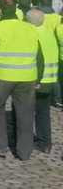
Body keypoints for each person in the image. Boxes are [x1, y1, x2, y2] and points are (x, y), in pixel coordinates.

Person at [0, 0, 42, 160]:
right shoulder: (31, 29)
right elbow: (39, 57)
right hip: (27, 77)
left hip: (2, 77)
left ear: (0, 12)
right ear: (17, 12)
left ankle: (0, 146)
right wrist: (38, 78)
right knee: (25, 113)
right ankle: (24, 152)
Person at [29, 8, 57, 153]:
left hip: (37, 80)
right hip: (51, 79)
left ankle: (26, 140)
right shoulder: (49, 32)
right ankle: (45, 142)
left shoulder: (32, 35)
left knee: (26, 111)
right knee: (43, 113)